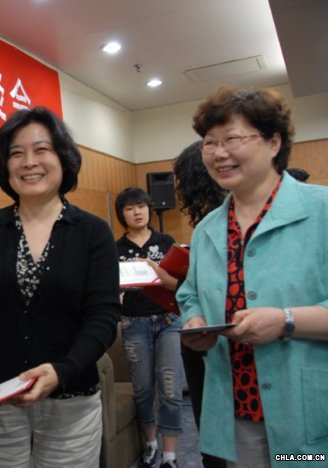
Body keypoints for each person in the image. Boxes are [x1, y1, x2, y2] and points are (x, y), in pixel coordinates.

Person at [0, 106, 120, 468]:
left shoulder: (93, 232)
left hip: (71, 399)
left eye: (41, 150)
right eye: (16, 153)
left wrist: (63, 371)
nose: (28, 162)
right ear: (4, 165)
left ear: (63, 157)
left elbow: (103, 316)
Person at [176, 86, 328, 467]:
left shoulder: (321, 211)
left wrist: (286, 321)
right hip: (238, 409)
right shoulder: (207, 229)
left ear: (274, 142)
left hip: (311, 409)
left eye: (232, 139)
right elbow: (190, 293)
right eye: (209, 143)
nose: (218, 153)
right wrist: (195, 320)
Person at [114, 187, 183, 468]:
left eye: (141, 206)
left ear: (149, 209)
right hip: (134, 323)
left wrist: (159, 273)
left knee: (171, 388)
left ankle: (170, 455)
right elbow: (109, 288)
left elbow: (180, 284)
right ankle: (150, 444)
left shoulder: (166, 242)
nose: (137, 212)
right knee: (142, 388)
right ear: (122, 215)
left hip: (168, 321)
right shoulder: (115, 249)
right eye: (130, 208)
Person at [172, 141, 227, 468]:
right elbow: (192, 290)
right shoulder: (207, 226)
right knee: (215, 438)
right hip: (200, 337)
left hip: (226, 339)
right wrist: (189, 304)